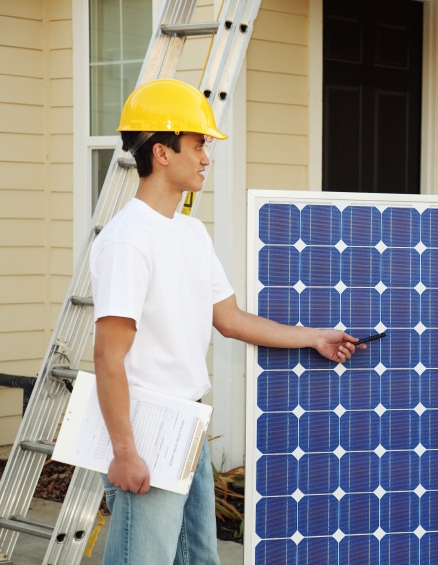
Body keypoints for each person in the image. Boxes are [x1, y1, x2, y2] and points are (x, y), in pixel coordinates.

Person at [90, 78, 364, 565]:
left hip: (189, 423)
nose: (206, 158)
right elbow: (109, 355)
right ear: (161, 153)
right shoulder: (127, 239)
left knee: (198, 559)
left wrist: (313, 338)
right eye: (198, 145)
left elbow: (231, 319)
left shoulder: (192, 233)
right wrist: (125, 451)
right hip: (147, 428)